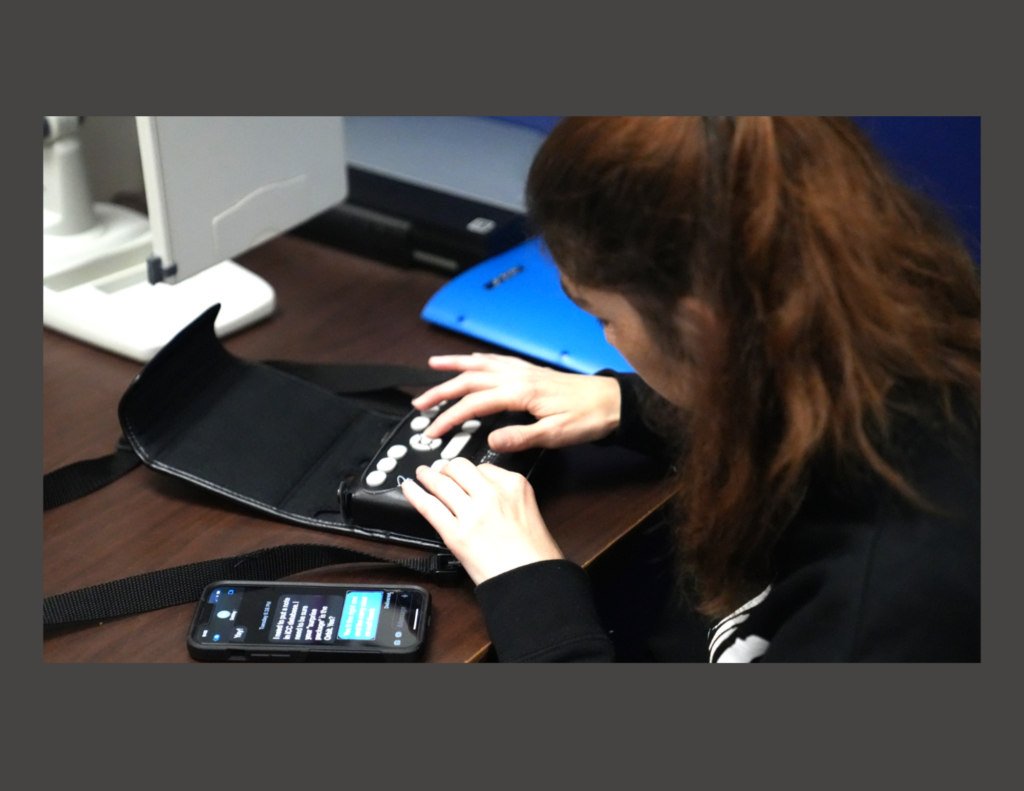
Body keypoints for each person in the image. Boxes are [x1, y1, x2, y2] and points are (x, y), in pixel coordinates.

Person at [400, 117, 981, 662]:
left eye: (604, 317)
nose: (606, 338)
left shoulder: (885, 611)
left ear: (704, 329)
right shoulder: (917, 344)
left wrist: (529, 589)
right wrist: (632, 403)